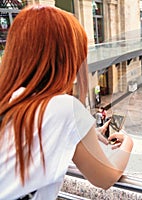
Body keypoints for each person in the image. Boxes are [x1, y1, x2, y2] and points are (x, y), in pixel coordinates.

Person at [0, 5, 133, 199]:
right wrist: (128, 142)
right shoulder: (63, 108)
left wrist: (84, 132)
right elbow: (105, 177)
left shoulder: (9, 98)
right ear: (65, 58)